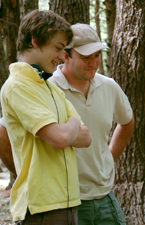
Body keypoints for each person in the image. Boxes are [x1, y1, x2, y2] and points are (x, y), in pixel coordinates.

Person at [0, 23, 134, 225]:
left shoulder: (109, 86)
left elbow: (127, 122)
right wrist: (24, 175)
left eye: (97, 55)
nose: (94, 62)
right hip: (65, 200)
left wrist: (109, 159)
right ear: (66, 55)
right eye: (86, 57)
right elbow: (3, 134)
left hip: (104, 194)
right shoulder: (46, 85)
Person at [0, 10, 92, 224]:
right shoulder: (17, 86)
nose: (62, 57)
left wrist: (66, 130)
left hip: (67, 201)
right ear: (34, 41)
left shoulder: (51, 88)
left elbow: (86, 137)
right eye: (58, 48)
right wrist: (71, 124)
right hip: (41, 205)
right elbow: (60, 139)